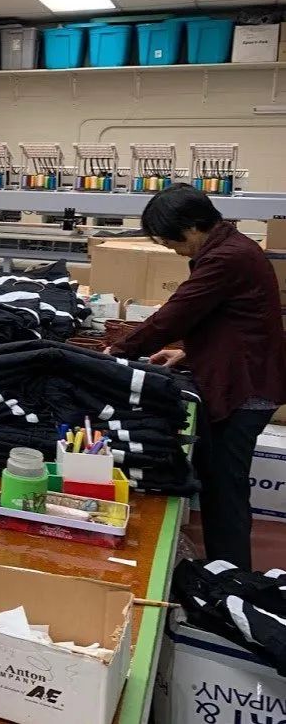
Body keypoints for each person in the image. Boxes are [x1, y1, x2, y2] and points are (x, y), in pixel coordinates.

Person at [108, 184, 286, 568]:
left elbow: (178, 312)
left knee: (225, 486)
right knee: (219, 480)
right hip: (240, 373)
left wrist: (116, 352)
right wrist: (189, 351)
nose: (170, 248)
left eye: (169, 239)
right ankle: (224, 568)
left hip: (244, 387)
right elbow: (234, 320)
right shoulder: (232, 247)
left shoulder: (226, 257)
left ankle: (231, 578)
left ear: (191, 226)